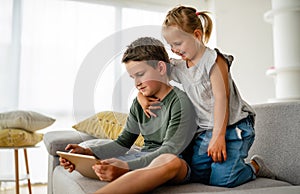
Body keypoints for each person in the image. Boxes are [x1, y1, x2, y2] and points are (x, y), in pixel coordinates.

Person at [136, 5, 276, 188]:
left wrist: (218, 137)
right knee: (198, 175)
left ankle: (254, 167)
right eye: (170, 45)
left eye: (178, 44)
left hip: (234, 127)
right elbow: (151, 76)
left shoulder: (215, 60)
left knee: (222, 180)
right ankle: (224, 162)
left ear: (196, 35)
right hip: (205, 132)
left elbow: (221, 99)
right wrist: (142, 97)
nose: (174, 49)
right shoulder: (179, 67)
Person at [59, 37, 198, 189]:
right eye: (133, 77)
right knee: (100, 164)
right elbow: (123, 143)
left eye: (140, 74)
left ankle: (126, 172)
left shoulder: (180, 102)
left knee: (169, 160)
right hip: (143, 156)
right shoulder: (139, 103)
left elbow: (170, 150)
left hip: (174, 162)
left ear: (160, 68)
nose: (136, 83)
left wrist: (126, 165)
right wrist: (87, 153)